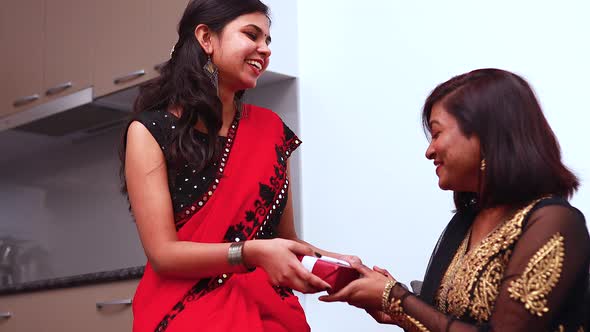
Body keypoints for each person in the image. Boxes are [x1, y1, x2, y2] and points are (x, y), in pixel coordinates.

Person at [120, 1, 355, 331]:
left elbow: (283, 241)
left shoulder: (271, 130)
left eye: (268, 40)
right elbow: (163, 254)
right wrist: (250, 253)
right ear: (206, 37)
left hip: (272, 315)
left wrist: (338, 265)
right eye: (251, 34)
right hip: (185, 315)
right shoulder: (150, 131)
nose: (265, 49)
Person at [320, 68, 590, 331]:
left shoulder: (555, 222)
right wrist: (397, 307)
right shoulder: (469, 219)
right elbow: (450, 319)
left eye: (437, 133)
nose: (429, 151)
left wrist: (394, 299)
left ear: (486, 136)